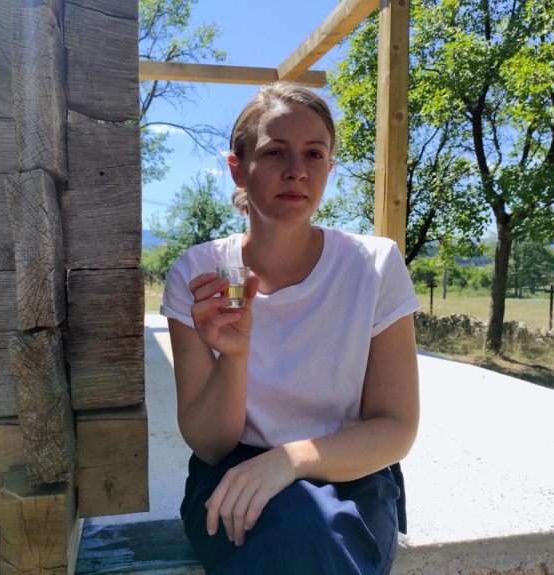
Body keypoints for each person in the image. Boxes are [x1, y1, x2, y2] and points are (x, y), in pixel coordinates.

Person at [160, 81, 420, 574]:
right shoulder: (198, 274)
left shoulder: (374, 266)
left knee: (311, 528)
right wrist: (233, 356)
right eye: (275, 152)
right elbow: (210, 443)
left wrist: (291, 460)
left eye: (314, 154)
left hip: (352, 473)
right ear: (237, 167)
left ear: (329, 168)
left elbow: (395, 428)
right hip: (232, 472)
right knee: (300, 529)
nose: (297, 170)